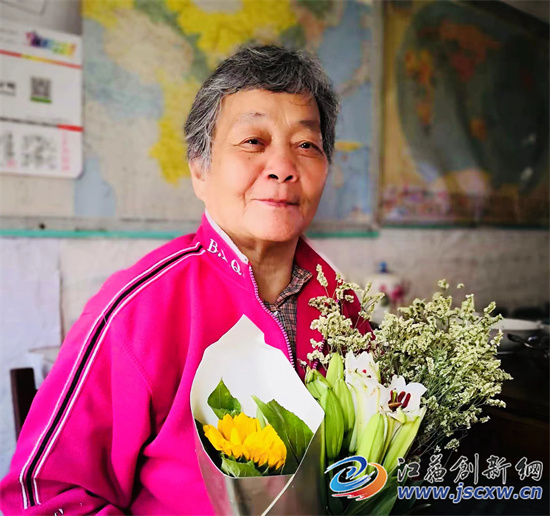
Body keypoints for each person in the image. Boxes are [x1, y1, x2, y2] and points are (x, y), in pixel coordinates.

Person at [0, 45, 368, 515]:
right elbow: (45, 493)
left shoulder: (343, 303)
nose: (283, 167)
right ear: (200, 168)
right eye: (253, 141)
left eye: (306, 145)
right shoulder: (138, 309)